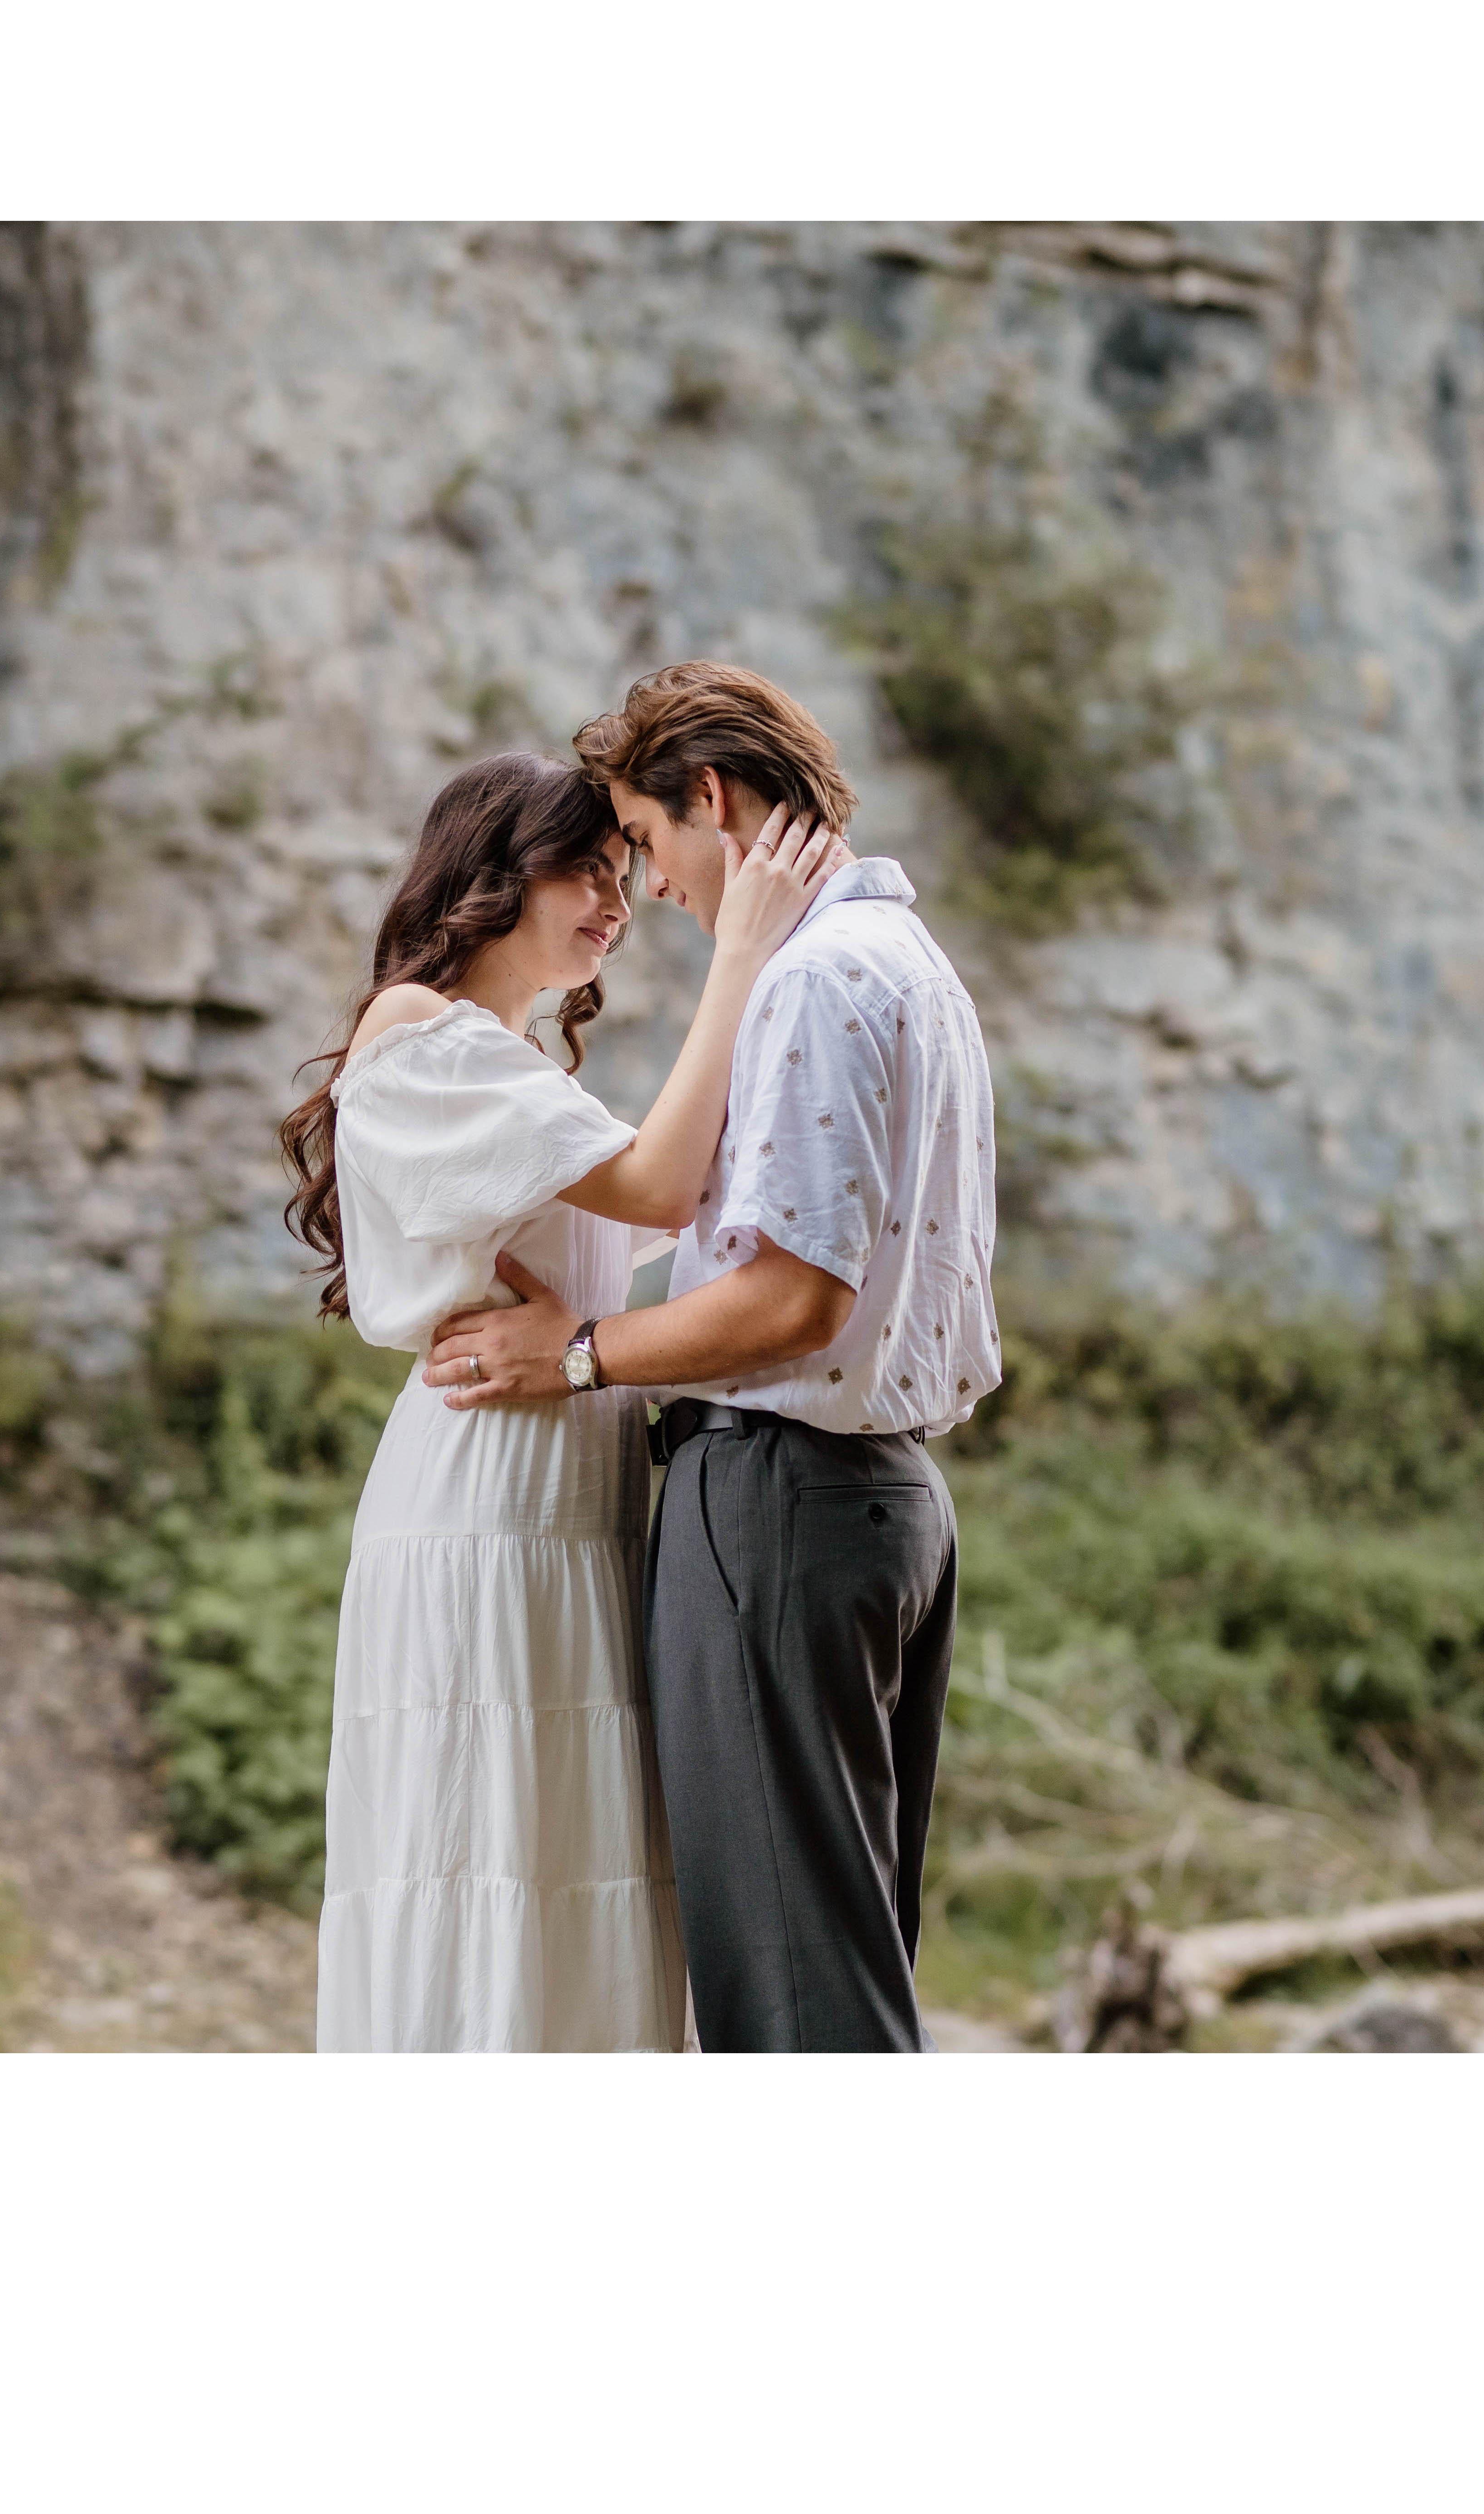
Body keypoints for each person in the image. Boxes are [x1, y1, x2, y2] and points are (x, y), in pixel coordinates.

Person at [426, 663, 1001, 2053]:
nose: (653, 887)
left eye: (645, 838)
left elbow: (792, 1300)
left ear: (713, 797)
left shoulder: (814, 981)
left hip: (780, 1501)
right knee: (847, 1978)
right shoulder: (915, 966)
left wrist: (575, 1354)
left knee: (790, 2007)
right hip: (886, 1504)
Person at [280, 748, 841, 2051]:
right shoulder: (419, 1032)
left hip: (573, 1499)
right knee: (490, 1865)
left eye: (623, 873)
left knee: (572, 1871)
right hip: (488, 1501)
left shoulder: (517, 1066)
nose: (616, 902)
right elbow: (660, 1187)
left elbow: (682, 1200)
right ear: (494, 875)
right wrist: (742, 956)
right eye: (584, 871)